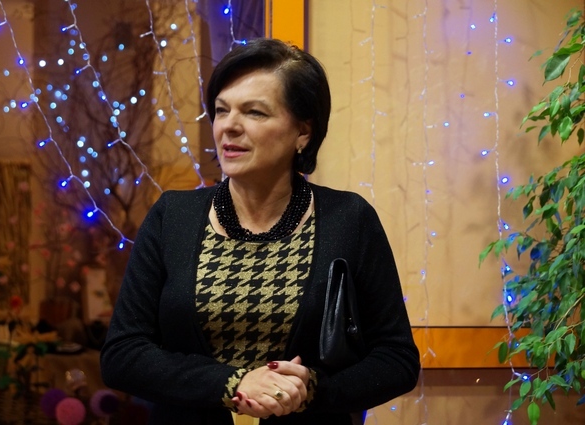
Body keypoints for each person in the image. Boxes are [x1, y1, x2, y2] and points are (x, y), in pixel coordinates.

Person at [100, 37, 420, 424]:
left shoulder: (349, 219)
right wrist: (233, 383)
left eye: (254, 112)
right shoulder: (173, 216)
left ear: (303, 132)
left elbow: (396, 359)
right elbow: (123, 354)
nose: (229, 126)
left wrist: (311, 390)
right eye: (221, 110)